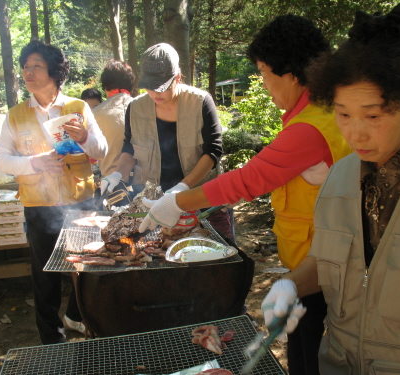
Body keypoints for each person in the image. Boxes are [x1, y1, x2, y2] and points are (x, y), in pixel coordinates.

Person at [139, 16, 352, 374]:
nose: (263, 83)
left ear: (292, 73)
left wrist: (176, 200)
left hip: (325, 275)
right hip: (311, 267)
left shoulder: (312, 126)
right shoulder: (315, 114)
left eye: (265, 72)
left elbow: (247, 181)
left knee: (309, 362)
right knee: (302, 354)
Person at [261, 4, 400, 374]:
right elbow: (329, 260)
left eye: (373, 115)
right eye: (343, 113)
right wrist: (289, 285)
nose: (354, 133)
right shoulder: (339, 177)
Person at [0, 40, 108, 345]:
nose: (28, 72)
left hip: (80, 202)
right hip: (39, 205)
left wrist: (85, 136)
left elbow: (102, 149)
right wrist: (35, 162)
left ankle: (85, 321)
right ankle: (51, 341)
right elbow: (2, 160)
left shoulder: (77, 107)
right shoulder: (16, 115)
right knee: (44, 277)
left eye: (36, 66)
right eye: (25, 67)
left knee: (85, 269)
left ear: (54, 72)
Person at [100, 43, 234, 239]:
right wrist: (117, 174)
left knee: (213, 251)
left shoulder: (201, 102)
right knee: (155, 253)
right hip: (154, 201)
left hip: (201, 199)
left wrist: (183, 187)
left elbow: (213, 151)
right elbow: (129, 148)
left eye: (161, 87)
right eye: (149, 87)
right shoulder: (135, 108)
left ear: (177, 78)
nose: (155, 93)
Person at [92, 60, 144, 208]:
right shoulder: (146, 110)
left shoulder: (95, 114)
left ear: (105, 85)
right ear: (131, 84)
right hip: (145, 188)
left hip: (112, 189)